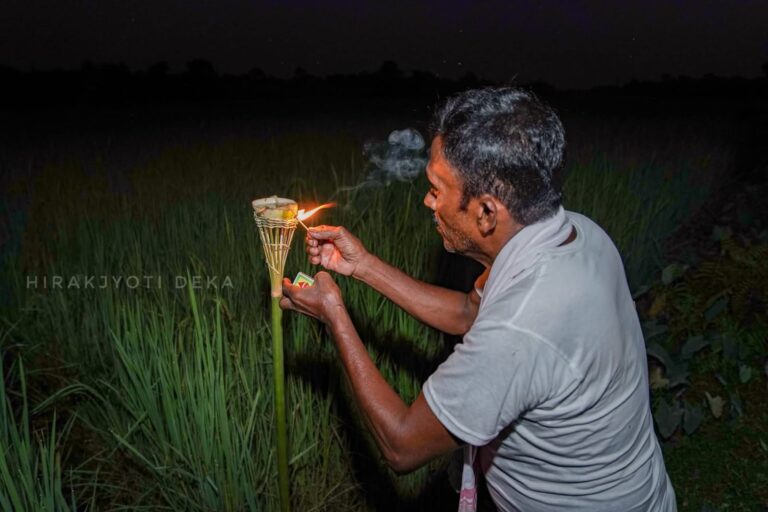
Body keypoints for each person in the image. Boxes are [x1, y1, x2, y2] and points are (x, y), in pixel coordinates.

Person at [279, 87, 676, 511]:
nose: (427, 201)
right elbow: (469, 312)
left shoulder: (521, 328)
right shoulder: (575, 233)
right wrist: (363, 266)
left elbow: (401, 445)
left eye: (436, 189)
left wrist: (335, 316)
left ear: (487, 212)